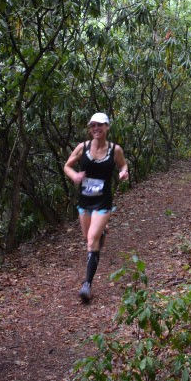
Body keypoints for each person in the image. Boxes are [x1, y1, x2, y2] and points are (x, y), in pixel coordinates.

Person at [64, 112, 129, 303]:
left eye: (100, 125)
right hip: (84, 201)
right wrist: (74, 176)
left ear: (107, 127)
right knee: (88, 238)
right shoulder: (82, 147)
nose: (96, 129)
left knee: (92, 240)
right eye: (93, 126)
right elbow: (67, 165)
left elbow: (123, 166)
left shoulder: (115, 150)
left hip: (103, 201)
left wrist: (123, 173)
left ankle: (87, 285)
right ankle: (102, 231)